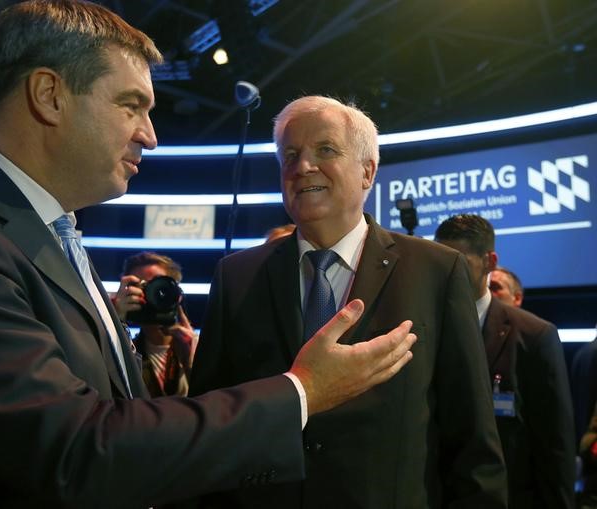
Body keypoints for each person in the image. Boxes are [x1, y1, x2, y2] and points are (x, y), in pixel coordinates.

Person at [0, 3, 418, 508]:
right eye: (131, 105)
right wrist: (303, 391)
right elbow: (77, 453)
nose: (151, 136)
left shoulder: (52, 235)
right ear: (49, 95)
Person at [189, 95, 507, 508]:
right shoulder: (236, 276)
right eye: (290, 154)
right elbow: (211, 424)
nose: (303, 166)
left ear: (367, 171)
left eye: (325, 150)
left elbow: (473, 441)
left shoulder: (436, 271)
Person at [435, 213, 575, 509]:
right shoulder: (423, 328)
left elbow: (554, 444)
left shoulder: (534, 336)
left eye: (459, 264)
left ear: (490, 261)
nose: (447, 274)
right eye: (440, 265)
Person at [113, 251, 196, 397]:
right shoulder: (123, 349)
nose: (152, 294)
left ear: (177, 294)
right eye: (142, 287)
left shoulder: (201, 347)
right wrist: (115, 322)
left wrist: (193, 363)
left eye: (159, 287)